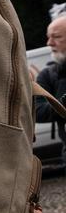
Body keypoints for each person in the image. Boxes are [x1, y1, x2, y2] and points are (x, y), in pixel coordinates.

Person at [35, 15, 66, 163]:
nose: (49, 43)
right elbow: (36, 111)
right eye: (48, 37)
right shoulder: (48, 75)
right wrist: (62, 104)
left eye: (56, 37)